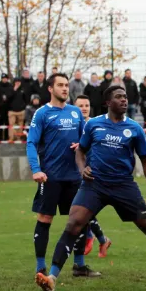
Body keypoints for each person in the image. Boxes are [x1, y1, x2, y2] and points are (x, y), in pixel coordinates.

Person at [35, 86, 146, 291]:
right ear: (107, 102)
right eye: (118, 97)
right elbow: (80, 152)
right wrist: (82, 168)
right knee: (73, 224)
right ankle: (51, 278)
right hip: (94, 185)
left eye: (125, 97)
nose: (124, 100)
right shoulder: (93, 124)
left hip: (124, 186)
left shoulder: (135, 128)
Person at [27, 73, 100, 280]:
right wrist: (36, 169)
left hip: (75, 177)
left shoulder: (76, 113)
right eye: (60, 85)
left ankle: (79, 266)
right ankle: (40, 268)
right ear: (50, 89)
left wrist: (82, 146)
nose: (65, 89)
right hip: (50, 177)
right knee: (45, 219)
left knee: (79, 220)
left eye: (67, 85)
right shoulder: (42, 113)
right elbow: (31, 142)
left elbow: (86, 140)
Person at [74, 95, 112, 258]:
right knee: (81, 208)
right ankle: (101, 239)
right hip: (73, 171)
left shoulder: (95, 124)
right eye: (80, 105)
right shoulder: (72, 124)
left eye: (86, 105)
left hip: (91, 171)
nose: (84, 108)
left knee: (84, 207)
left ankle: (92, 237)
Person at [0, 73, 12, 141]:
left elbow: (12, 96)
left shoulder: (10, 85)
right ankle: (0, 137)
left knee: (7, 122)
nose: (4, 79)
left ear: (7, 79)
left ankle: (6, 137)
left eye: (5, 78)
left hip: (8, 107)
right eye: (3, 78)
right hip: (0, 107)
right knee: (0, 122)